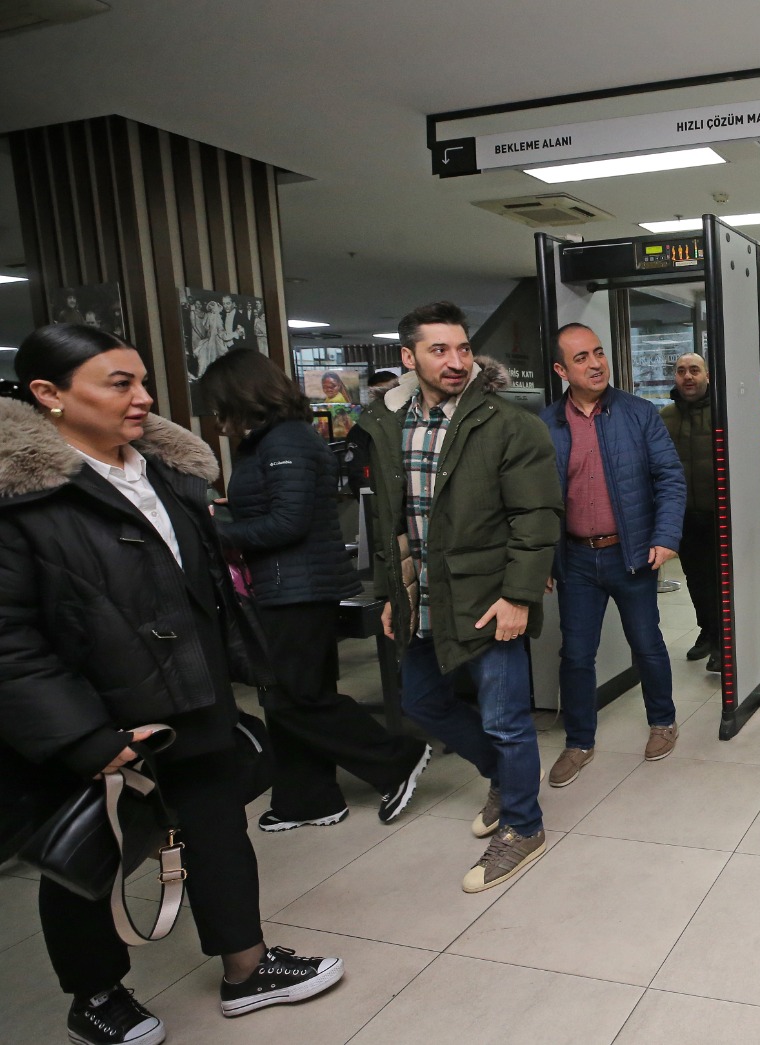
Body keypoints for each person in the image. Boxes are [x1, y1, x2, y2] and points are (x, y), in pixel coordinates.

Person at [0, 324, 344, 1045]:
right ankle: (96, 996)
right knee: (88, 860)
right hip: (97, 717)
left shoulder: (164, 471)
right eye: (119, 383)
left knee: (219, 834)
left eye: (143, 381)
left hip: (192, 695)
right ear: (49, 394)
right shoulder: (22, 494)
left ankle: (246, 967)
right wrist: (84, 736)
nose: (144, 398)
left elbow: (203, 584)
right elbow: (10, 639)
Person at [356, 301, 562, 894]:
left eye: (463, 348)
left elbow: (537, 516)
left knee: (505, 720)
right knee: (422, 703)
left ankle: (523, 826)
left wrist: (519, 596)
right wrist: (392, 594)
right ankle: (504, 777)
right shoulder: (387, 425)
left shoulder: (508, 424)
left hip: (489, 595)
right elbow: (391, 521)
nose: (456, 361)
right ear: (408, 357)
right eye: (439, 350)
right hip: (423, 595)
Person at [198, 349, 432, 834]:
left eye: (219, 406)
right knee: (297, 695)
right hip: (286, 584)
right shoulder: (270, 441)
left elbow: (289, 522)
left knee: (292, 698)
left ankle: (396, 758)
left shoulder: (286, 440)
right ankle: (307, 799)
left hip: (298, 589)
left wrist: (216, 531)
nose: (217, 418)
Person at [541, 322, 686, 786]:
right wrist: (541, 559)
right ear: (561, 370)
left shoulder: (639, 413)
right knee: (576, 654)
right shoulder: (545, 424)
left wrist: (665, 536)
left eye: (599, 353)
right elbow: (534, 499)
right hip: (575, 560)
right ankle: (579, 742)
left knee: (646, 643)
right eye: (581, 358)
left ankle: (662, 722)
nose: (596, 364)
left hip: (632, 553)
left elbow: (670, 477)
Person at [659, 352, 722, 672]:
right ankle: (707, 632)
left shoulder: (723, 413)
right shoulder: (666, 416)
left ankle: (724, 641)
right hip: (683, 515)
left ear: (707, 375)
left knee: (720, 580)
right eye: (681, 371)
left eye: (694, 370)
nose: (687, 376)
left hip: (719, 514)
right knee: (696, 579)